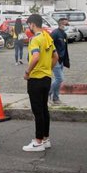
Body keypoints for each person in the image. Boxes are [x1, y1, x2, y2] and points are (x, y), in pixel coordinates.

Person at [22, 14, 58, 152]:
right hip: (47, 78)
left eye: (28, 25)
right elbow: (56, 56)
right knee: (44, 109)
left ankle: (38, 142)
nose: (28, 27)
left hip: (36, 78)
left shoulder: (35, 39)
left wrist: (27, 72)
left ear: (32, 24)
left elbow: (35, 57)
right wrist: (48, 69)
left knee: (37, 111)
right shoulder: (47, 37)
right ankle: (45, 138)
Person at [49, 18, 71, 104]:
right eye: (66, 24)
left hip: (61, 60)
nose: (67, 26)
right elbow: (49, 45)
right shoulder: (55, 33)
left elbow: (65, 48)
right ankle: (46, 94)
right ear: (61, 24)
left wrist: (66, 60)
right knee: (59, 78)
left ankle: (55, 98)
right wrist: (53, 56)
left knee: (58, 80)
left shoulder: (64, 34)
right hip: (55, 59)